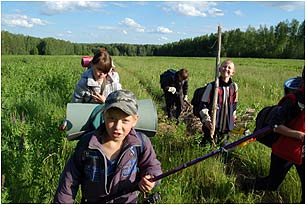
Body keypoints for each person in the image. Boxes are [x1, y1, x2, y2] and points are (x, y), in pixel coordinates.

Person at [54, 90, 162, 203]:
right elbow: (69, 180)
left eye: (125, 121)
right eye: (112, 119)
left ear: (135, 120)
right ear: (104, 115)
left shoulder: (140, 143)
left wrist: (151, 178)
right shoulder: (88, 143)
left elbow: (152, 166)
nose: (117, 127)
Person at [253, 68, 305, 203]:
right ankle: (246, 184)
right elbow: (275, 126)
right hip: (285, 151)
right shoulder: (294, 101)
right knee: (272, 184)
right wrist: (300, 135)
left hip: (303, 153)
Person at [199, 60, 238, 146]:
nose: (226, 69)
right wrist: (206, 120)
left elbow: (234, 103)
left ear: (233, 72)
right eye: (224, 66)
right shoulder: (212, 86)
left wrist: (233, 116)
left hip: (227, 126)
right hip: (213, 125)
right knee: (206, 147)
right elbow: (203, 105)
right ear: (219, 69)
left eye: (229, 68)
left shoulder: (234, 87)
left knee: (223, 147)